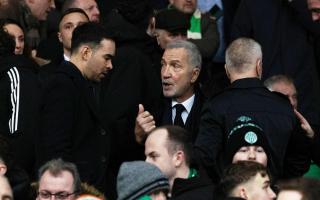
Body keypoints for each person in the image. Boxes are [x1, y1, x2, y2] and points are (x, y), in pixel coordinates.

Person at [194, 37, 311, 182]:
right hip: (272, 192)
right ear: (259, 66)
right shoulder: (283, 106)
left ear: (226, 70)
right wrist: (277, 184)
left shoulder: (215, 105)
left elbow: (205, 158)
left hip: (231, 193)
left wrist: (227, 186)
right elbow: (299, 161)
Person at [37, 22, 115, 192]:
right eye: (107, 58)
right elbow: (57, 149)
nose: (110, 65)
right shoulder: (62, 85)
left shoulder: (86, 84)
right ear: (86, 52)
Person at [135, 40, 205, 144]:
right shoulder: (150, 111)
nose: (165, 73)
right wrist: (139, 137)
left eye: (175, 66)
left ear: (194, 75)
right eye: (163, 64)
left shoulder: (210, 110)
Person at [145, 125, 214, 199]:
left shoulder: (209, 195)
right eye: (146, 156)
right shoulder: (146, 194)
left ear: (178, 158)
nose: (146, 162)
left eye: (153, 156)